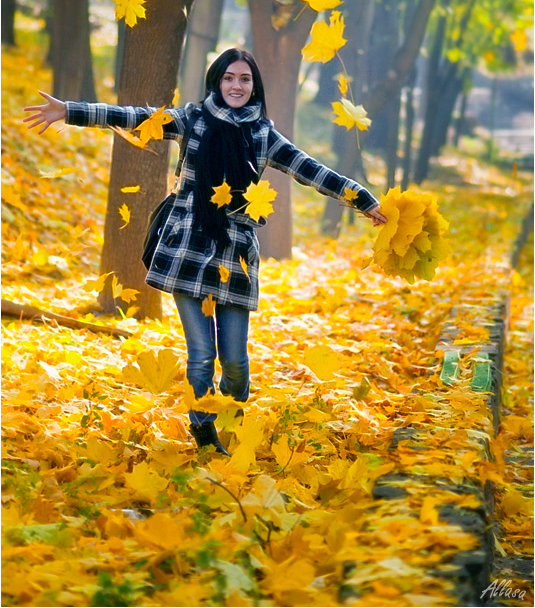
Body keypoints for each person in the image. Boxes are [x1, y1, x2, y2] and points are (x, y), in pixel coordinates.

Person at [24, 48, 386, 455]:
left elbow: (311, 169)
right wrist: (70, 111)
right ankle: (204, 432)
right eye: (229, 77)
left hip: (236, 255)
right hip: (188, 245)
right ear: (217, 81)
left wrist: (363, 200)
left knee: (234, 360)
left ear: (254, 87)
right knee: (201, 355)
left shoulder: (263, 135)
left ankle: (232, 411)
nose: (236, 85)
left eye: (244, 79)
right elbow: (134, 117)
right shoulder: (192, 120)